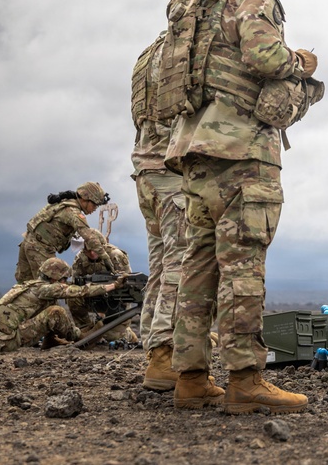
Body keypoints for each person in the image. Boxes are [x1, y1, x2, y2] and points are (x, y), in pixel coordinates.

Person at [164, 0, 316, 414]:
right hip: (241, 154)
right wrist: (302, 64)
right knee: (244, 268)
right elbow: (266, 59)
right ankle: (246, 381)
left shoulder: (197, 8)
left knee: (198, 266)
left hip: (194, 150)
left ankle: (189, 377)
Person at [130, 21, 190, 391]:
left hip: (144, 173)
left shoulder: (146, 55)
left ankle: (154, 347)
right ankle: (164, 354)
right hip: (171, 174)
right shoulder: (182, 53)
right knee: (179, 264)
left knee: (159, 265)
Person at [0, 258, 123, 352]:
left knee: (49, 307)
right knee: (55, 312)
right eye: (63, 279)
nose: (64, 282)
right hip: (10, 343)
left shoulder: (34, 286)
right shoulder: (45, 289)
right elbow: (80, 291)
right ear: (54, 277)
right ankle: (80, 337)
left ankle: (50, 340)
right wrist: (112, 286)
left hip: (3, 341)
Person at [14, 182, 114, 283]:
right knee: (50, 286)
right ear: (85, 199)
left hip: (28, 242)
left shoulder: (64, 202)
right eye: (94, 204)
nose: (95, 209)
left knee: (24, 286)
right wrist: (105, 257)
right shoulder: (73, 212)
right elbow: (89, 236)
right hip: (40, 248)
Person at [67, 241, 139, 344]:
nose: (92, 253)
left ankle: (128, 335)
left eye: (94, 249)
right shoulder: (80, 259)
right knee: (72, 296)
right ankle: (86, 330)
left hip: (116, 301)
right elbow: (76, 286)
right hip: (93, 298)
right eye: (88, 250)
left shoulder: (115, 255)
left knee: (111, 337)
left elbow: (129, 283)